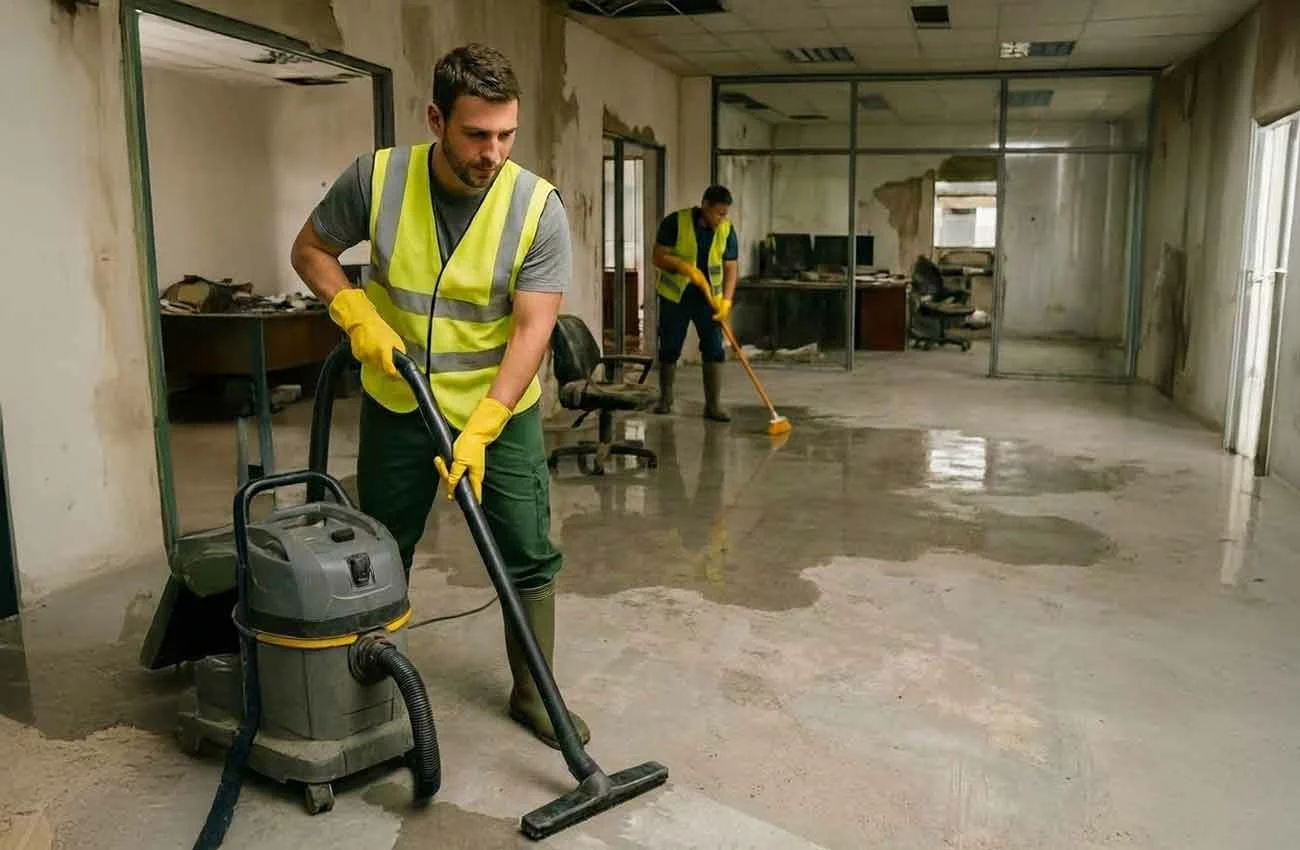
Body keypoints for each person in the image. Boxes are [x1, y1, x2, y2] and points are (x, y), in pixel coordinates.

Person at [288, 43, 587, 750]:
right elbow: (310, 251)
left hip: (498, 412)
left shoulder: (535, 206)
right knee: (382, 546)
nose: (493, 153)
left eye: (506, 135)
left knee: (527, 553)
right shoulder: (379, 179)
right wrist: (353, 312)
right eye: (476, 135)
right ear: (436, 119)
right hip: (399, 402)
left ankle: (533, 693)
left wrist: (485, 424)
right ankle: (360, 689)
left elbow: (533, 326)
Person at [651, 185, 738, 422]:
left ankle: (713, 406)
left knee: (714, 348)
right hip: (676, 297)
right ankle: (665, 399)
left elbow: (731, 268)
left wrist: (727, 302)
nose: (722, 218)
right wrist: (685, 268)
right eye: (719, 213)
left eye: (725, 213)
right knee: (670, 346)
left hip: (709, 300)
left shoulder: (727, 230)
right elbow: (658, 256)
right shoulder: (675, 222)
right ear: (705, 205)